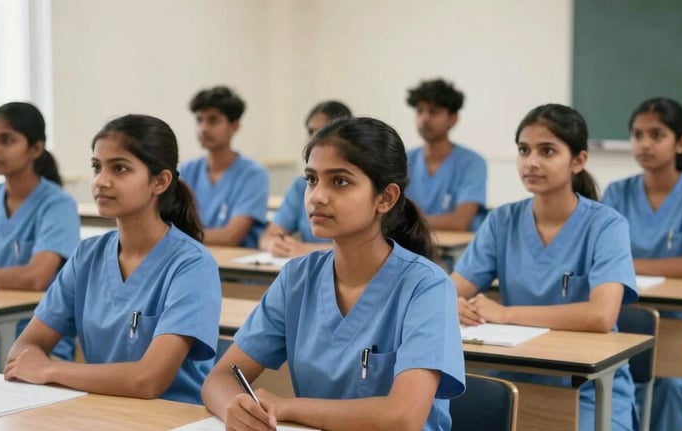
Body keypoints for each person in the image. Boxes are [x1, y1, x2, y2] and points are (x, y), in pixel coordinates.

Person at [202, 117, 465, 430]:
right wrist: (236, 408)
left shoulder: (426, 286)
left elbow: (403, 417)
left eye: (339, 181)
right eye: (312, 179)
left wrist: (289, 406)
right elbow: (218, 379)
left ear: (386, 198)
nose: (317, 196)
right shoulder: (297, 278)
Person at [4, 114, 222, 404]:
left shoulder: (192, 265)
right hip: (101, 409)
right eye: (97, 167)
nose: (101, 181)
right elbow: (23, 348)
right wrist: (41, 366)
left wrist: (50, 369)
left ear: (159, 182)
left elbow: (148, 380)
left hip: (174, 419)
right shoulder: (87, 255)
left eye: (119, 168)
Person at [451, 104, 638, 431]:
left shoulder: (606, 225)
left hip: (586, 385)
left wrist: (506, 314)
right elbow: (450, 290)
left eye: (547, 151)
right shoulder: (502, 221)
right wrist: (449, 304)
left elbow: (601, 316)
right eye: (524, 150)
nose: (531, 162)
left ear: (578, 161)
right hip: (512, 380)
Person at [602, 97, 682, 431]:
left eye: (657, 135)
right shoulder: (617, 192)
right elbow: (598, 260)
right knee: (604, 385)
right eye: (637, 135)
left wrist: (627, 264)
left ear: (681, 142)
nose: (644, 144)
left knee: (671, 385)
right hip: (626, 320)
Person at [0, 102, 79, 371]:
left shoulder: (57, 205)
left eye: (6, 140)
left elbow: (36, 277)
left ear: (35, 148)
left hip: (38, 345)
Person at [259, 100, 352, 257]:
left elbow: (367, 246)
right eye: (311, 131)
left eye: (322, 131)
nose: (314, 139)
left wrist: (307, 250)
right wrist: (274, 244)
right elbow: (268, 236)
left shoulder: (357, 184)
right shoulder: (301, 185)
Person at [180, 86, 269, 248]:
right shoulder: (186, 171)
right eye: (199, 120)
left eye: (213, 120)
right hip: (191, 259)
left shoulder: (253, 174)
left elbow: (231, 237)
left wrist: (179, 235)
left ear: (234, 126)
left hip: (236, 268)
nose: (204, 128)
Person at [405, 78, 487, 231]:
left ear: (453, 119)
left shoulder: (472, 163)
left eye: (434, 112)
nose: (424, 119)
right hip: (409, 249)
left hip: (453, 253)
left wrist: (410, 222)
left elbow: (459, 222)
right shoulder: (402, 160)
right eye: (420, 111)